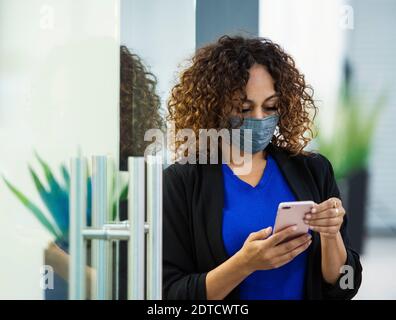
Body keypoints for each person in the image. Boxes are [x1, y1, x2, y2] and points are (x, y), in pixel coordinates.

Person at [163, 35, 362, 300]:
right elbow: (170, 296)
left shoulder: (313, 170)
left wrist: (331, 234)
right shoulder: (182, 183)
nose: (259, 118)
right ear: (214, 108)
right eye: (244, 108)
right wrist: (244, 264)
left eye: (270, 107)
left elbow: (345, 285)